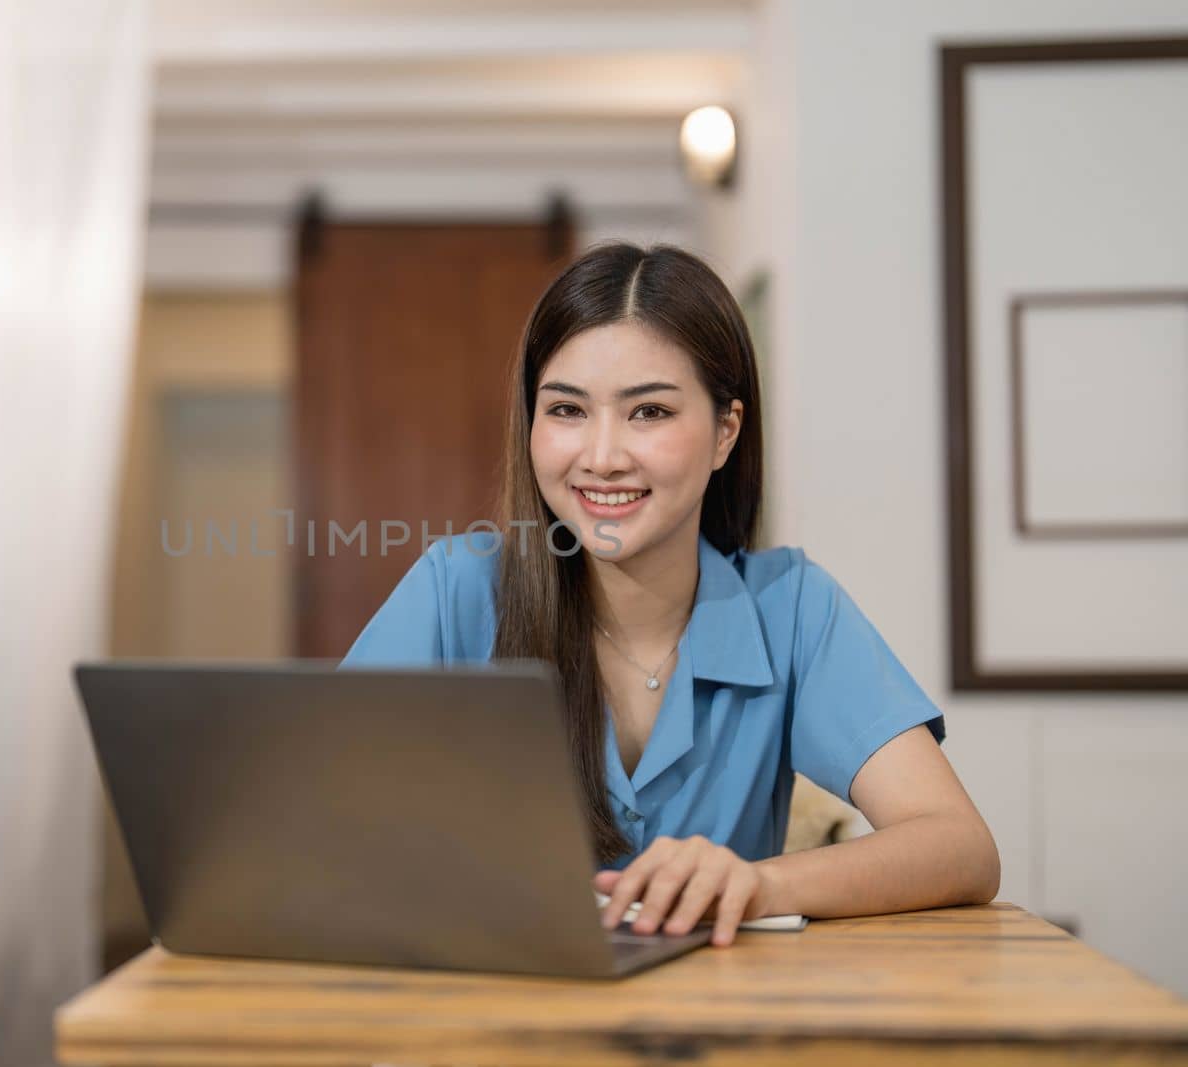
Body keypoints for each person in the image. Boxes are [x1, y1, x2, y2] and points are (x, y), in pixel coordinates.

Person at [340, 242, 1000, 947]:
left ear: (725, 432)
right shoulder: (455, 592)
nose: (602, 455)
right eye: (566, 409)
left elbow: (960, 845)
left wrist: (761, 882)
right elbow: (310, 821)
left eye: (648, 412)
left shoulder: (792, 607)